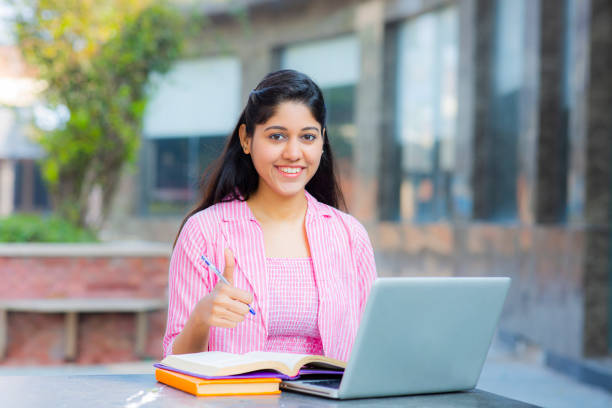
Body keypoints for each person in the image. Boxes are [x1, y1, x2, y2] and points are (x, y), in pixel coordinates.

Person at [163, 69, 377, 362]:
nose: (293, 152)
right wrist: (201, 317)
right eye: (277, 136)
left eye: (308, 137)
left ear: (322, 142)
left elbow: (371, 350)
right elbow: (172, 363)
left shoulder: (350, 236)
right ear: (247, 139)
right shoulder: (204, 233)